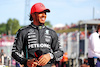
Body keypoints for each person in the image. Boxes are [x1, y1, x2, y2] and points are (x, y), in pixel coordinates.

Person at [11, 2, 63, 67]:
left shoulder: (52, 32)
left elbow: (60, 52)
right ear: (33, 15)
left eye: (45, 13)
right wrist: (26, 61)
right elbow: (14, 52)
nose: (44, 15)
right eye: (40, 13)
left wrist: (50, 56)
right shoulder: (23, 32)